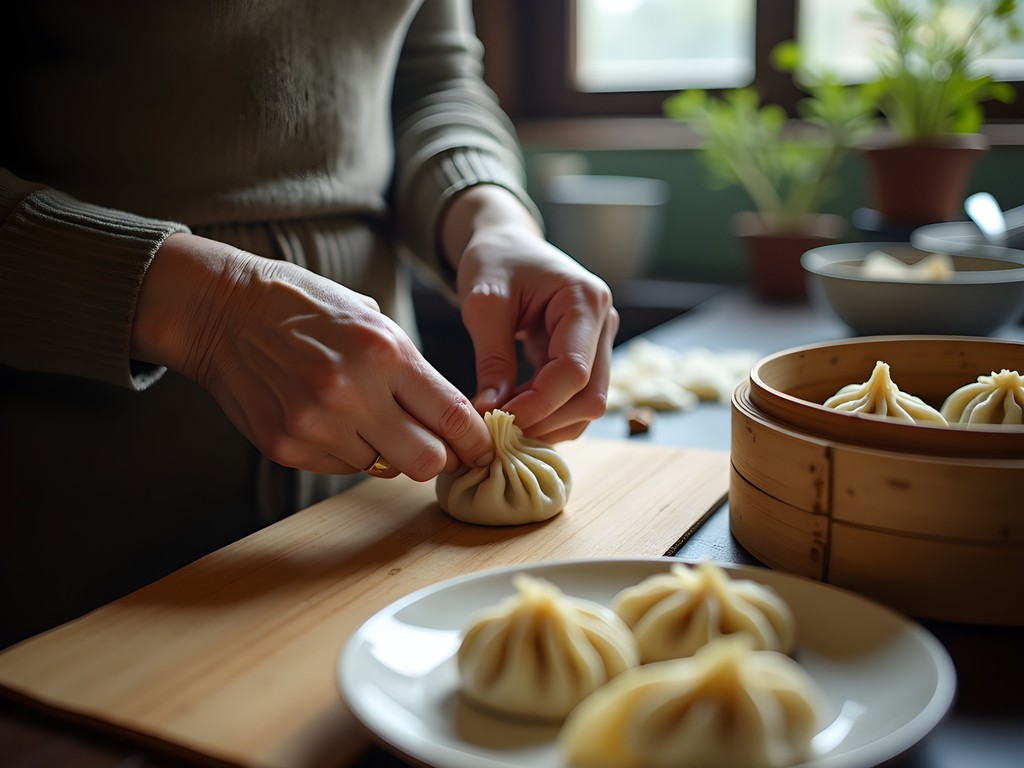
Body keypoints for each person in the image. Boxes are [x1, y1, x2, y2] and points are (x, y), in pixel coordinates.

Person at [0, 0, 618, 647]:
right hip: (72, 520)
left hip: (371, 511)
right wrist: (202, 308)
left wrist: (489, 213)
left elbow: (433, 81)